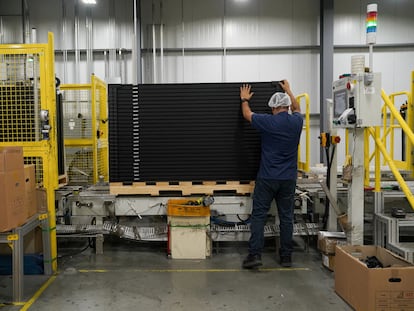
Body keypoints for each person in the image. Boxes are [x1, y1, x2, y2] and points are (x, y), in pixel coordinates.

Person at [239, 80, 303, 269]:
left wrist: (244, 99)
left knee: (259, 216)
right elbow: (298, 107)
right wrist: (289, 90)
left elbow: (247, 114)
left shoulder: (268, 121)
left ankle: (255, 256)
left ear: (274, 107)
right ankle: (286, 258)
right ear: (287, 106)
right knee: (286, 218)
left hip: (267, 178)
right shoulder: (296, 122)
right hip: (288, 179)